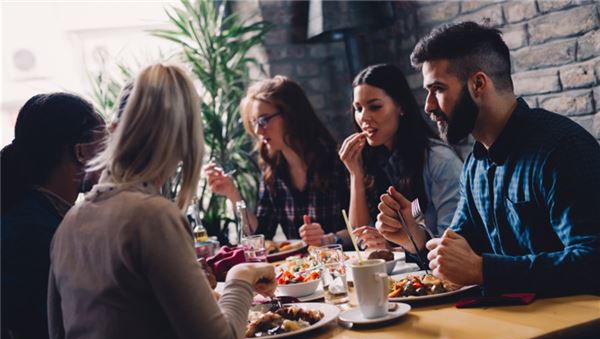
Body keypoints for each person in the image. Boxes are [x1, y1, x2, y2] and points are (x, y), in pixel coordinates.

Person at [47, 64, 276, 339]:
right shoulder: (152, 215)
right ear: (184, 141)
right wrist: (242, 276)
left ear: (115, 132)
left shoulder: (70, 221)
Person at [376, 22, 600, 296]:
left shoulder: (562, 150)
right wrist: (415, 239)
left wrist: (485, 271)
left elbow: (592, 261)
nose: (428, 106)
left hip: (572, 333)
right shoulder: (475, 164)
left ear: (478, 84)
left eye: (438, 89)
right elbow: (457, 256)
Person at [1, 93, 105, 339]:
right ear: (82, 152)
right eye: (106, 144)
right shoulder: (36, 232)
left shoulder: (32, 214)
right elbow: (75, 335)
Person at [204, 75, 350, 246]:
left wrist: (328, 239)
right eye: (254, 123)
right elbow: (260, 235)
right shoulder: (273, 170)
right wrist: (232, 193)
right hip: (302, 269)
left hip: (344, 264)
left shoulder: (338, 161)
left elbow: (363, 227)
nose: (258, 130)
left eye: (264, 120)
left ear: (291, 115)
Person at [338, 63, 462, 251]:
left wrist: (391, 245)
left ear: (401, 107)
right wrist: (355, 174)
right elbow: (361, 238)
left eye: (375, 107)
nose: (364, 117)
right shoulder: (374, 159)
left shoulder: (439, 160)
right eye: (358, 108)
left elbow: (452, 240)